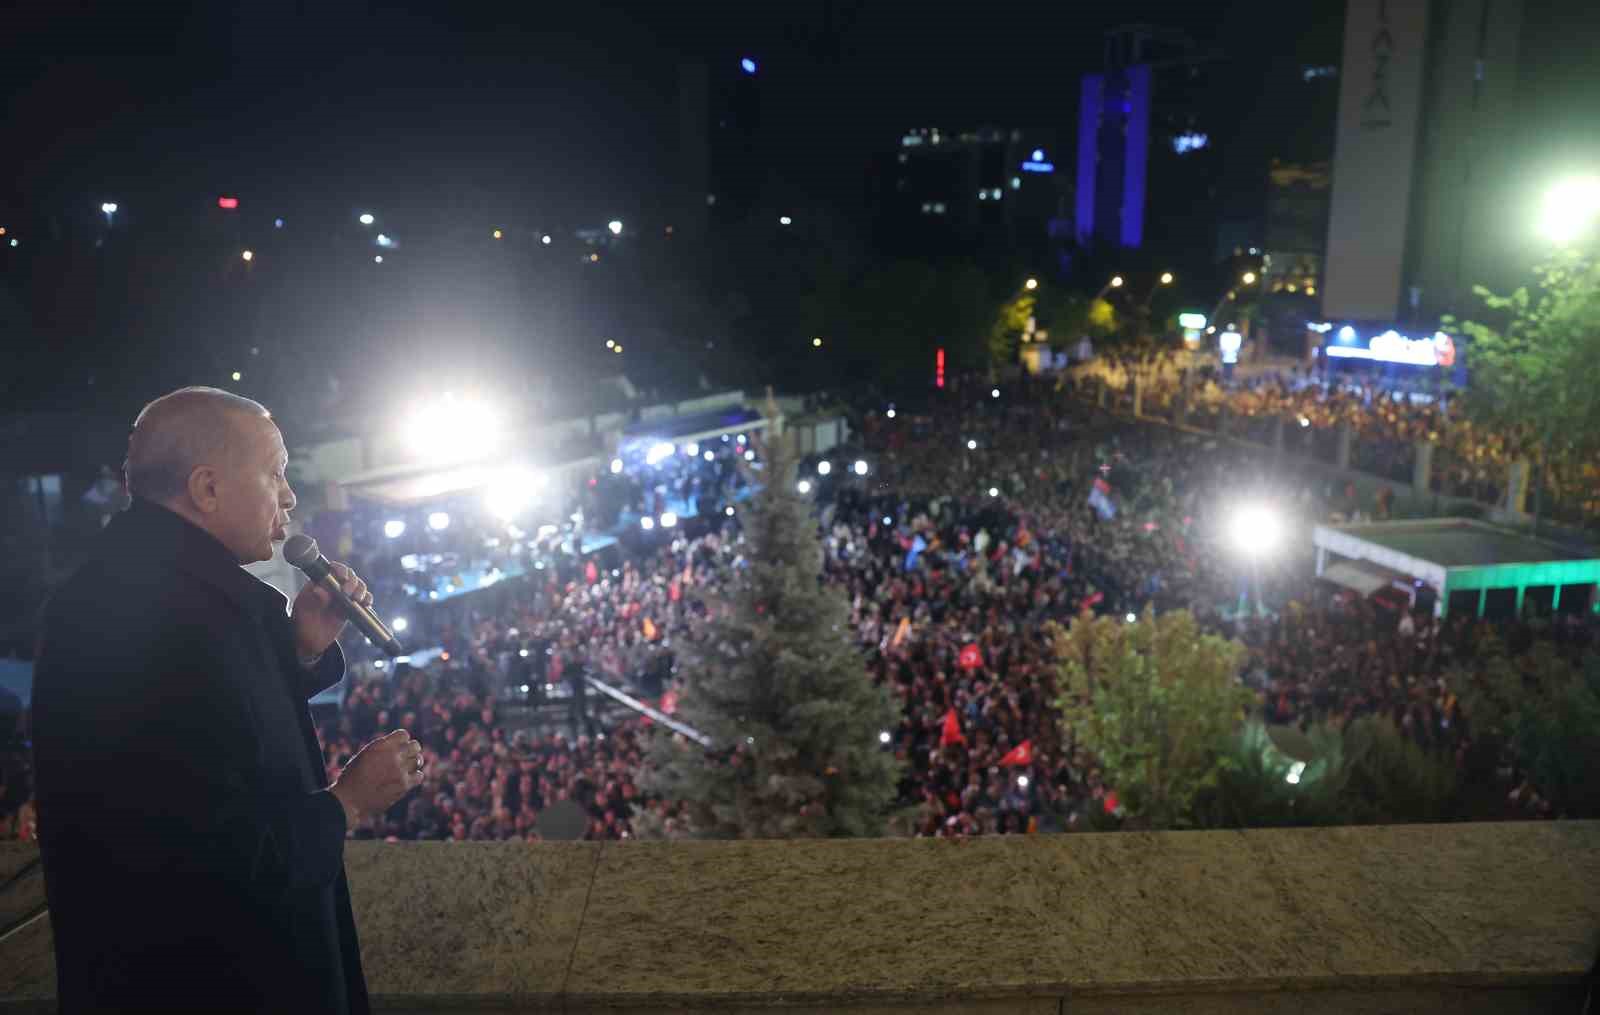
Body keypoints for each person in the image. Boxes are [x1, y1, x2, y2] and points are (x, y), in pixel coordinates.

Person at [31, 387, 425, 1014]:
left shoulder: (158, 593)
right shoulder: (151, 617)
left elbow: (219, 727)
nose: (290, 497)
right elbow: (205, 856)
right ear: (207, 489)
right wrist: (347, 803)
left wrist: (298, 650)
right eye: (275, 474)